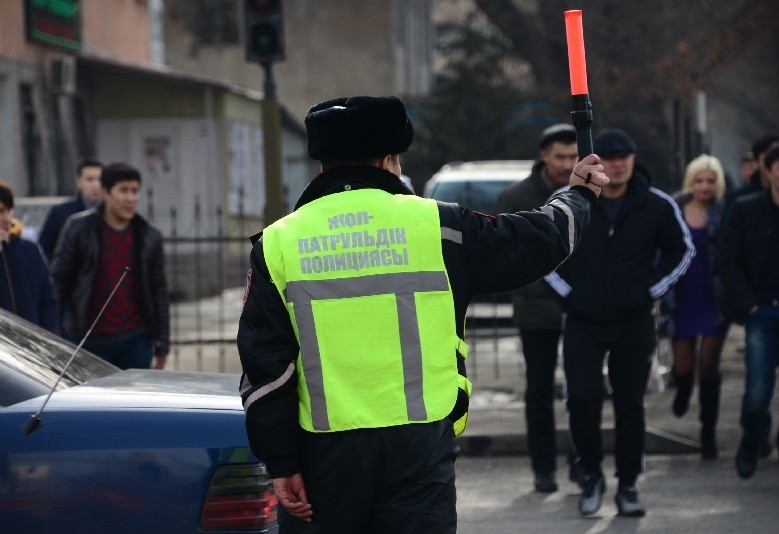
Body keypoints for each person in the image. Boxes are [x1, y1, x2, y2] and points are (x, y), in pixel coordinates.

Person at [237, 95, 609, 533]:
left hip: (324, 454)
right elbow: (539, 239)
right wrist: (580, 195)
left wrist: (281, 461)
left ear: (323, 164)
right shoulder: (439, 227)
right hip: (419, 445)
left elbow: (265, 367)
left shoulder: (278, 243)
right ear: (390, 159)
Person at [545, 128, 694, 517]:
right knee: (581, 398)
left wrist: (651, 290)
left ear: (633, 159)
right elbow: (543, 250)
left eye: (625, 157)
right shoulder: (569, 203)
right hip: (583, 320)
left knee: (630, 405)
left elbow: (682, 249)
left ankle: (628, 484)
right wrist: (569, 293)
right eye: (610, 158)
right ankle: (590, 476)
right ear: (595, 162)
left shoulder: (656, 204)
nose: (618, 164)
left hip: (634, 321)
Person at [493, 123, 577, 493]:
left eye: (573, 156)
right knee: (539, 391)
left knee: (581, 391)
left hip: (581, 308)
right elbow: (504, 250)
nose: (566, 163)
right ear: (544, 156)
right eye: (560, 156)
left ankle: (581, 461)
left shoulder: (585, 191)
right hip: (536, 310)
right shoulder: (518, 196)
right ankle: (544, 467)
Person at [717, 140, 779, 478]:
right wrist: (747, 304)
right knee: (757, 391)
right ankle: (753, 439)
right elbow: (726, 259)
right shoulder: (746, 209)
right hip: (761, 311)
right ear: (768, 172)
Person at [51, 163, 169, 370]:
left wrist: (163, 344)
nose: (130, 198)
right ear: (105, 192)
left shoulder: (149, 236)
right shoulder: (78, 229)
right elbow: (58, 283)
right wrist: (56, 335)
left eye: (134, 191)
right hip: (87, 338)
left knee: (135, 401)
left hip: (135, 339)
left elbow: (159, 291)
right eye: (123, 190)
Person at [662, 154, 730, 459]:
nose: (705, 186)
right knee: (684, 366)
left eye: (710, 181)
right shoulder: (673, 210)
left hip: (714, 299)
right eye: (699, 180)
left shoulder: (724, 212)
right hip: (681, 297)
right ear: (691, 182)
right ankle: (683, 387)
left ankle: (708, 433)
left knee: (710, 364)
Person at [0, 179, 57, 332]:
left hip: (31, 349)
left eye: (9, 210)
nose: (7, 218)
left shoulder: (29, 250)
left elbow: (48, 301)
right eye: (0, 211)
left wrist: (48, 341)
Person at [38, 158, 103, 264]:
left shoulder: (113, 213)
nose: (96, 185)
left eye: (100, 179)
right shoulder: (60, 213)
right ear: (78, 181)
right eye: (90, 179)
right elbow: (43, 250)